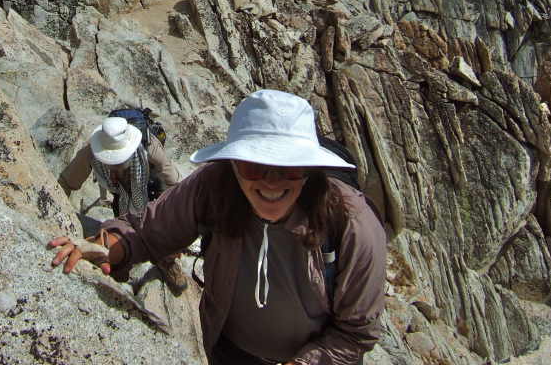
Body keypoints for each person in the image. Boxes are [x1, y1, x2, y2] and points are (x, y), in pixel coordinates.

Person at [49, 90, 387, 365]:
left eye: (290, 167)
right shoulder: (212, 188)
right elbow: (145, 230)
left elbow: (355, 332)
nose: (272, 181)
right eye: (254, 165)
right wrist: (103, 246)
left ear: (310, 169)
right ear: (234, 164)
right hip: (225, 352)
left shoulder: (351, 225)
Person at [56, 115, 188, 292]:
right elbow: (65, 183)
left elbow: (176, 184)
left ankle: (168, 262)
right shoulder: (90, 153)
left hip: (152, 183)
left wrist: (175, 223)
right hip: (121, 191)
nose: (116, 162)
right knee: (121, 227)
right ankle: (119, 266)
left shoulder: (149, 145)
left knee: (163, 225)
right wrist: (57, 217)